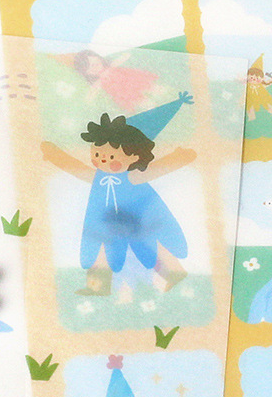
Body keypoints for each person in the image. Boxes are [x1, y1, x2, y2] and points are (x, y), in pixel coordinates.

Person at [42, 93, 196, 295]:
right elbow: (76, 168)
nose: (102, 160)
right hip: (104, 223)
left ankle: (175, 273)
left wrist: (180, 157)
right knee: (99, 250)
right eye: (97, 154)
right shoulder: (98, 177)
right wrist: (55, 155)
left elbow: (159, 168)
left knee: (155, 245)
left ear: (134, 157)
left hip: (138, 221)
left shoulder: (133, 176)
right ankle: (98, 286)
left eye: (111, 156)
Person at [73, 49, 156, 112]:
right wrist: (88, 99)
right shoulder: (99, 81)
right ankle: (151, 105)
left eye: (95, 63)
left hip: (132, 79)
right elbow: (92, 93)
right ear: (86, 73)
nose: (94, 66)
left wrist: (125, 56)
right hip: (123, 92)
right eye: (90, 67)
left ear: (99, 58)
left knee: (151, 87)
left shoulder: (111, 67)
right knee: (142, 101)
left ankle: (157, 93)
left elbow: (122, 59)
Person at [246, 54, 272, 121]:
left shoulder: (261, 85)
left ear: (262, 78)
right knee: (249, 106)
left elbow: (267, 83)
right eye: (251, 77)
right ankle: (251, 117)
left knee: (266, 104)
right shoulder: (247, 85)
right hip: (251, 97)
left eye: (257, 77)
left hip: (261, 97)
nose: (254, 78)